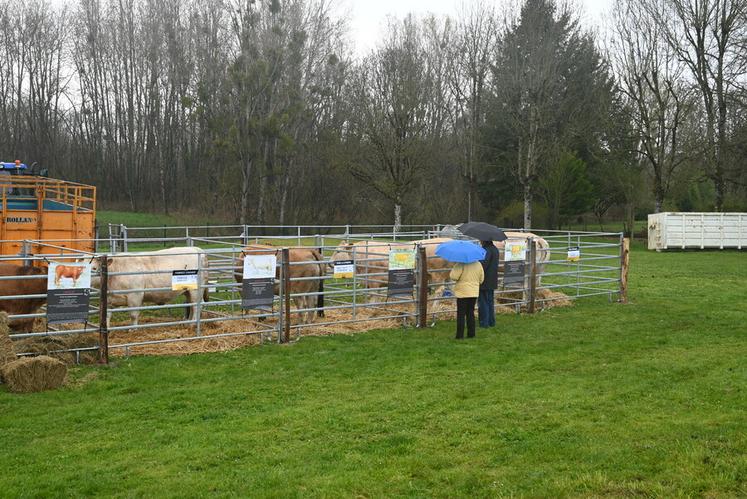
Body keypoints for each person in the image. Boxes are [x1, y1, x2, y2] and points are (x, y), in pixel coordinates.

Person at [449, 259, 484, 339]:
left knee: (461, 314)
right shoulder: (478, 264)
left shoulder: (461, 263)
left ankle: (459, 335)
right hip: (474, 292)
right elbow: (481, 279)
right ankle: (471, 334)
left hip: (462, 292)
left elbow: (453, 276)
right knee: (470, 313)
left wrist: (454, 268)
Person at [478, 240, 500, 328]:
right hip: (492, 279)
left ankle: (484, 322)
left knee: (483, 301)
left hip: (485, 279)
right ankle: (491, 321)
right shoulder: (495, 249)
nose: (480, 241)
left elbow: (484, 265)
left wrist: (478, 262)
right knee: (490, 301)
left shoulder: (486, 250)